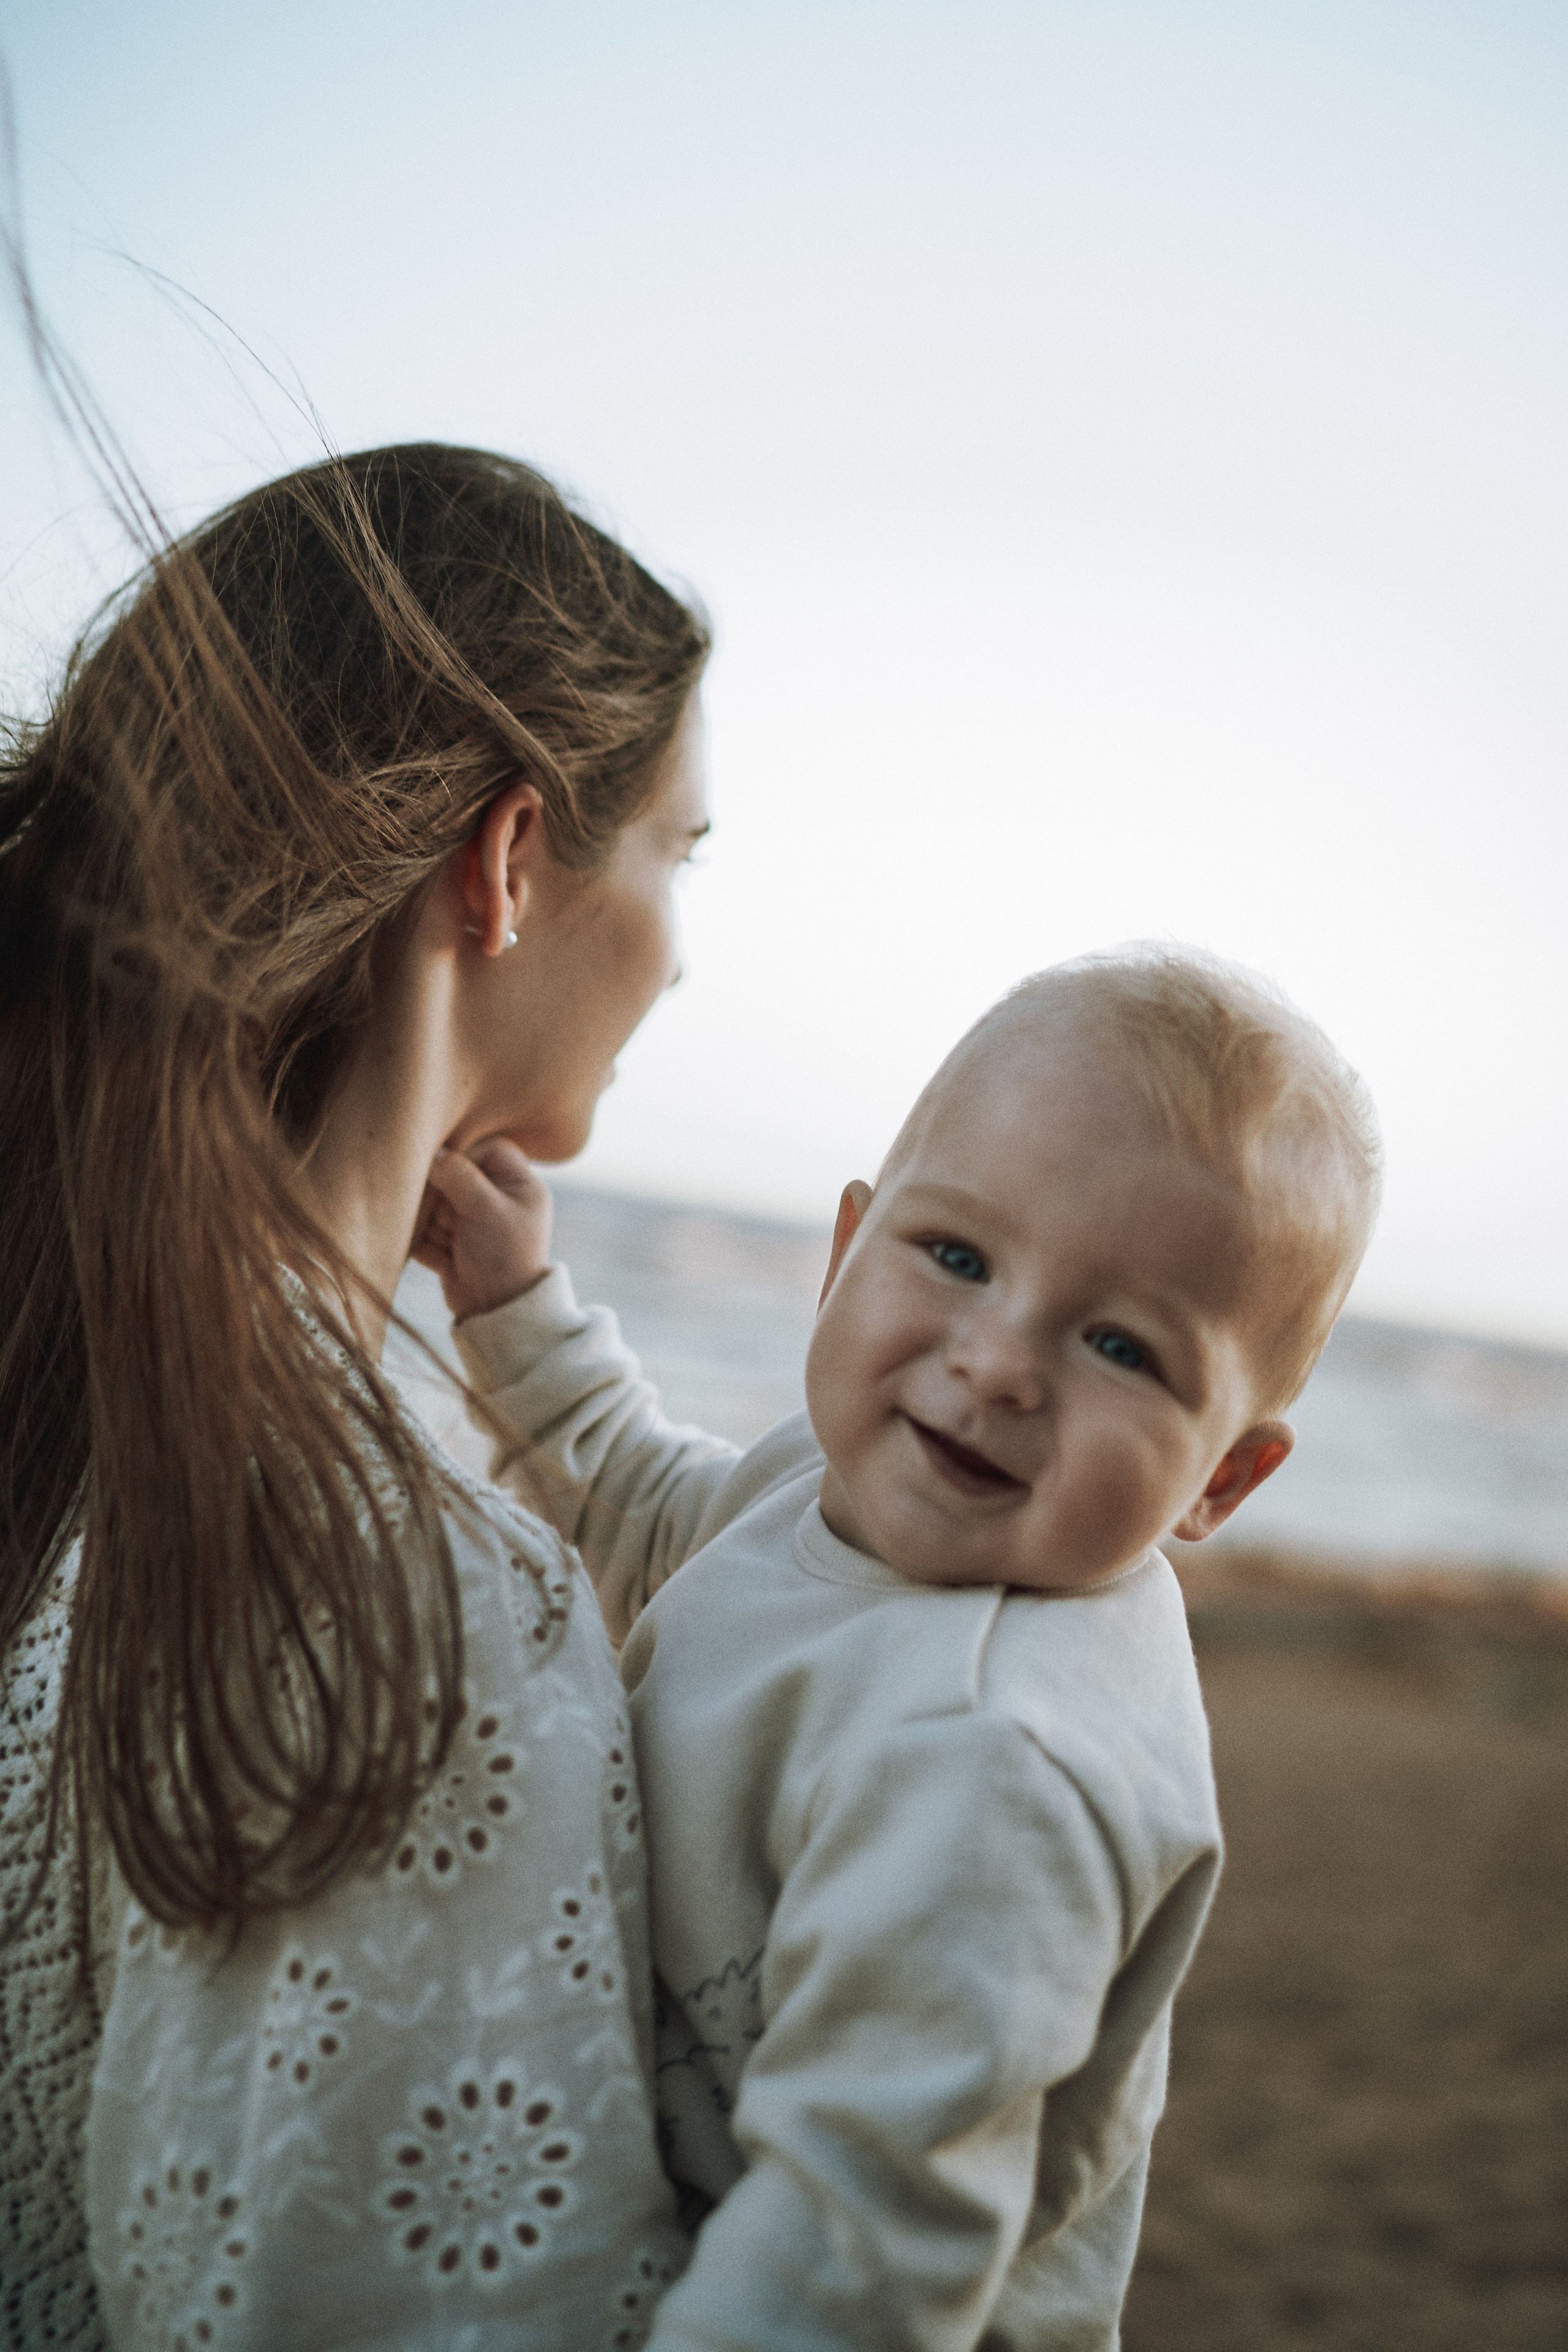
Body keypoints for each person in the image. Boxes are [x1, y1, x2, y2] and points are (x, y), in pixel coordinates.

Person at [0, 442, 714, 2350]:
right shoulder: (416, 1594)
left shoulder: (69, 1406)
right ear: (503, 861)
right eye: (676, 852)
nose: (683, 949)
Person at [418, 944, 1383, 2351]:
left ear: (1218, 1483)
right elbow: (647, 1506)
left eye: (1119, 1347)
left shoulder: (999, 1768)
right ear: (842, 1254)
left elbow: (858, 2251)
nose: (998, 1360)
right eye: (955, 1257)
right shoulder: (834, 1478)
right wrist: (515, 1310)